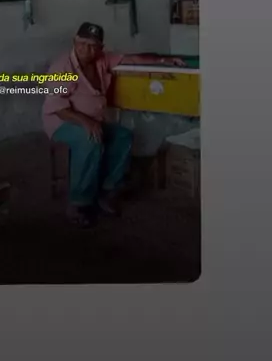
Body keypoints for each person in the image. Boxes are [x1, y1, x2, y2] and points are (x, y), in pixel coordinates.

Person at [43, 22, 184, 228]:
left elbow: (132, 59)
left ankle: (106, 191)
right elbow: (57, 107)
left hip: (93, 121)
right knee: (90, 140)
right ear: (74, 41)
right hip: (62, 122)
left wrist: (164, 60)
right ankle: (78, 203)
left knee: (123, 136)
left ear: (101, 47)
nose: (87, 50)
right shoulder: (62, 67)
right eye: (82, 44)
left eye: (93, 46)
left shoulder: (101, 59)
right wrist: (86, 122)